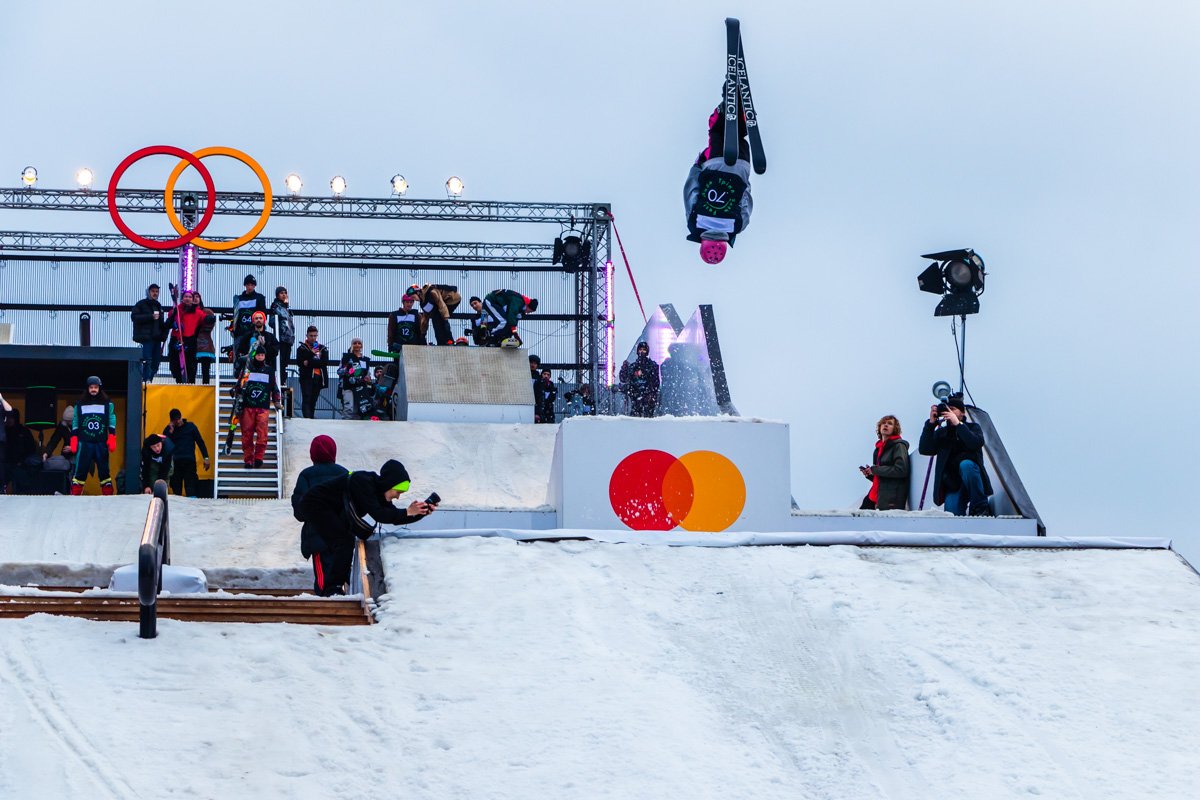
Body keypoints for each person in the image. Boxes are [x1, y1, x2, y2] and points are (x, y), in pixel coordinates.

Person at [298, 459, 435, 596]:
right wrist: (408, 511)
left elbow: (393, 518)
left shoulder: (379, 493)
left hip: (332, 509)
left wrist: (420, 513)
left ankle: (334, 586)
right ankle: (332, 588)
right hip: (315, 504)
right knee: (344, 541)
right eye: (398, 492)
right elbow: (380, 514)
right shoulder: (363, 481)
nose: (398, 497)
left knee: (344, 540)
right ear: (389, 484)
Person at [684, 101, 754, 265]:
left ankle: (740, 115)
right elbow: (691, 192)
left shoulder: (737, 226)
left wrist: (744, 178)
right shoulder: (695, 223)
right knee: (716, 129)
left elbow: (747, 199)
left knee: (740, 136)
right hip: (713, 164)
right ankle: (726, 103)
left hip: (740, 166)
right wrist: (696, 167)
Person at [918, 393, 993, 516]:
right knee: (952, 518)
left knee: (966, 465)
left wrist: (958, 424)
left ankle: (980, 507)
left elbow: (975, 443)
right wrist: (931, 424)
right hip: (953, 482)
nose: (949, 412)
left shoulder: (973, 427)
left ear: (962, 413)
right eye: (947, 410)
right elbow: (925, 449)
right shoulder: (942, 433)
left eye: (952, 409)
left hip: (970, 475)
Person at [70, 376, 117, 495]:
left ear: (99, 388)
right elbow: (76, 420)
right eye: (91, 387)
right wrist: (74, 437)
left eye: (96, 387)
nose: (93, 390)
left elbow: (111, 418)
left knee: (104, 471)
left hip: (101, 442)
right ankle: (75, 496)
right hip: (85, 442)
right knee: (80, 470)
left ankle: (108, 497)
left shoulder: (107, 403)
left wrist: (112, 435)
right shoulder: (79, 404)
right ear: (87, 388)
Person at [238, 349, 281, 469]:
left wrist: (277, 402)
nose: (260, 357)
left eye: (262, 355)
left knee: (262, 435)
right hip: (247, 407)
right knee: (247, 435)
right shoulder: (247, 369)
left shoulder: (269, 370)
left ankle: (259, 457)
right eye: (258, 355)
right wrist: (236, 393)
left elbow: (274, 387)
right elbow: (240, 385)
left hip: (263, 407)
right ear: (254, 356)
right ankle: (248, 459)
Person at [858, 415, 910, 511]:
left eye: (890, 423)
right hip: (873, 496)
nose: (886, 425)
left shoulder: (899, 445)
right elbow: (882, 476)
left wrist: (875, 470)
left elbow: (901, 470)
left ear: (895, 429)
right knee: (858, 523)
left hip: (889, 499)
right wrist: (870, 474)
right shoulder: (878, 449)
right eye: (884, 423)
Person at [290, 434, 348, 521]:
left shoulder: (306, 475)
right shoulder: (346, 474)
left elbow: (299, 513)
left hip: (313, 532)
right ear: (333, 450)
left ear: (312, 453)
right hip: (343, 531)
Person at [163, 408, 211, 497]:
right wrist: (170, 432)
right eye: (175, 421)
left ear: (181, 417)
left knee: (191, 487)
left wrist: (206, 457)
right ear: (172, 421)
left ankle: (192, 506)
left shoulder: (191, 426)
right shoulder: (169, 429)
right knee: (176, 488)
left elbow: (200, 442)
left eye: (179, 419)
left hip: (189, 461)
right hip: (175, 462)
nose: (178, 422)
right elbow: (164, 445)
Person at [130, 283, 169, 382]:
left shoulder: (158, 306)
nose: (155, 293)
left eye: (157, 291)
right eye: (153, 291)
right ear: (148, 292)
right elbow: (134, 317)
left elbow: (161, 324)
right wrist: (150, 317)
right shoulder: (141, 304)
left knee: (156, 362)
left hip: (156, 338)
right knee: (147, 360)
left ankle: (149, 379)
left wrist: (166, 330)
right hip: (146, 338)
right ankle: (145, 379)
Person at [295, 325, 330, 419]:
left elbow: (324, 362)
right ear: (307, 335)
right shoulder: (302, 348)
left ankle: (311, 417)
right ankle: (307, 418)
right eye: (311, 335)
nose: (313, 338)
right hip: (306, 377)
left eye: (315, 335)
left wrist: (309, 361)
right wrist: (311, 354)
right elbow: (300, 362)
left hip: (318, 376)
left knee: (314, 399)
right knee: (307, 397)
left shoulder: (322, 348)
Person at [620, 341, 660, 417]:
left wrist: (651, 394)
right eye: (640, 350)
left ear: (647, 351)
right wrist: (624, 369)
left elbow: (656, 382)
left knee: (648, 418)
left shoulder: (652, 365)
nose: (642, 352)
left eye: (644, 350)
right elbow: (623, 378)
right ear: (637, 351)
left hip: (648, 398)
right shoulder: (633, 366)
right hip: (636, 397)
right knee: (636, 418)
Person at [234, 310, 279, 377]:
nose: (258, 320)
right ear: (253, 321)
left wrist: (265, 345)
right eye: (256, 318)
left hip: (266, 369)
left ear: (264, 321)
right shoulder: (247, 336)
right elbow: (240, 350)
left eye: (260, 318)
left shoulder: (270, 336)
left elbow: (275, 352)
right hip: (249, 369)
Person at [337, 338, 373, 420]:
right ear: (352, 345)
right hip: (348, 386)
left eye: (359, 343)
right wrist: (348, 369)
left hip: (361, 387)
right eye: (355, 343)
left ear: (362, 345)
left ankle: (356, 429)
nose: (357, 345)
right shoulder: (346, 357)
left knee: (360, 408)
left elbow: (367, 373)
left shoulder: (365, 359)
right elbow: (339, 371)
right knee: (349, 408)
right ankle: (346, 426)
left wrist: (368, 380)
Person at [173, 289, 204, 383]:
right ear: (182, 298)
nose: (188, 299)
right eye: (186, 297)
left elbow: (204, 318)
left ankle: (191, 382)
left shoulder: (196, 311)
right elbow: (171, 316)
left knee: (191, 364)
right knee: (177, 365)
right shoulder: (178, 309)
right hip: (178, 338)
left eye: (190, 297)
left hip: (190, 339)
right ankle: (179, 381)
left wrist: (210, 318)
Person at [229, 274, 268, 350]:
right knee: (239, 353)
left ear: (254, 286)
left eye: (252, 285)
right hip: (240, 332)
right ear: (245, 285)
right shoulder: (238, 299)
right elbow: (235, 315)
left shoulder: (259, 297)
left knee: (254, 353)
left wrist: (261, 329)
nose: (250, 287)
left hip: (255, 331)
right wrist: (233, 328)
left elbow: (263, 314)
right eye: (248, 285)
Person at [270, 286, 296, 382]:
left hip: (288, 339)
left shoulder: (287, 308)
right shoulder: (276, 306)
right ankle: (278, 380)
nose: (284, 295)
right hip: (281, 338)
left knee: (285, 362)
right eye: (281, 293)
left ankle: (282, 379)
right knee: (279, 362)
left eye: (285, 292)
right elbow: (272, 322)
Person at [193, 291, 217, 385]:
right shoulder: (186, 311)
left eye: (197, 296)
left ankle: (206, 390)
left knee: (205, 370)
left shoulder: (207, 312)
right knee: (192, 370)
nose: (195, 298)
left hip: (205, 343)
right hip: (192, 343)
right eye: (193, 296)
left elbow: (210, 325)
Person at [0, 392, 12, 493]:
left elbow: (9, 410)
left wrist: (1, 399)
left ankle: (1, 488)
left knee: (1, 463)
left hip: (0, 439)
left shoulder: (1, 405)